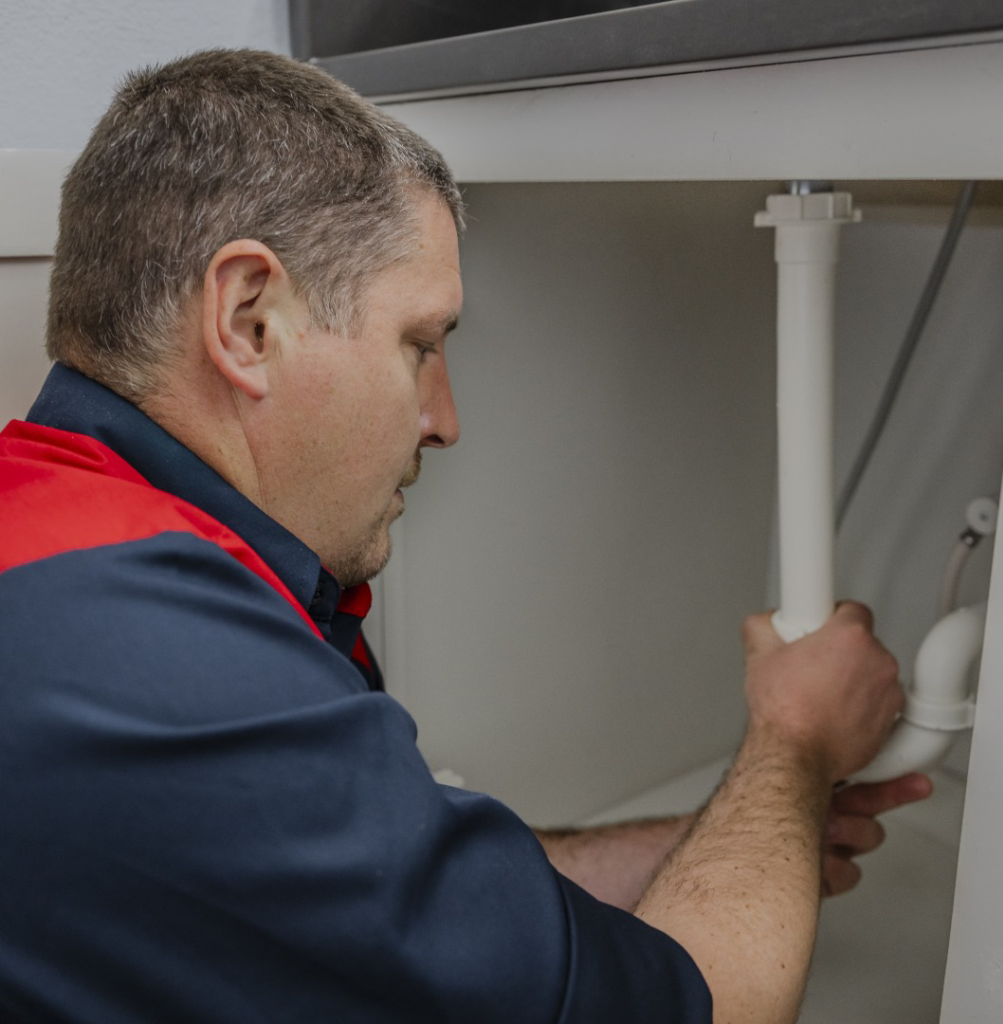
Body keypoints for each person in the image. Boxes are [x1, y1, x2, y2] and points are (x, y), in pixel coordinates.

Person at [0, 48, 928, 1023]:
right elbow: (711, 1006)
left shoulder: (85, 562)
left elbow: (427, 917)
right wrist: (793, 743)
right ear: (248, 322)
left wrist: (728, 837)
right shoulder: (175, 672)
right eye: (419, 344)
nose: (445, 418)